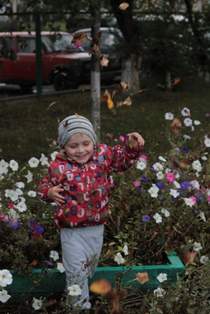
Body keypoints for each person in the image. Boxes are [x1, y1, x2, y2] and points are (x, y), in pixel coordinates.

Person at [38, 114, 144, 312]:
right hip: (71, 229)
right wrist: (49, 192)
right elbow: (43, 185)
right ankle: (78, 306)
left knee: (89, 267)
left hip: (97, 225)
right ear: (63, 147)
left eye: (86, 143)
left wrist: (131, 147)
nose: (80, 150)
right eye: (73, 146)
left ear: (93, 141)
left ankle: (81, 291)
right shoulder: (58, 167)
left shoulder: (103, 156)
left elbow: (122, 161)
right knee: (76, 271)